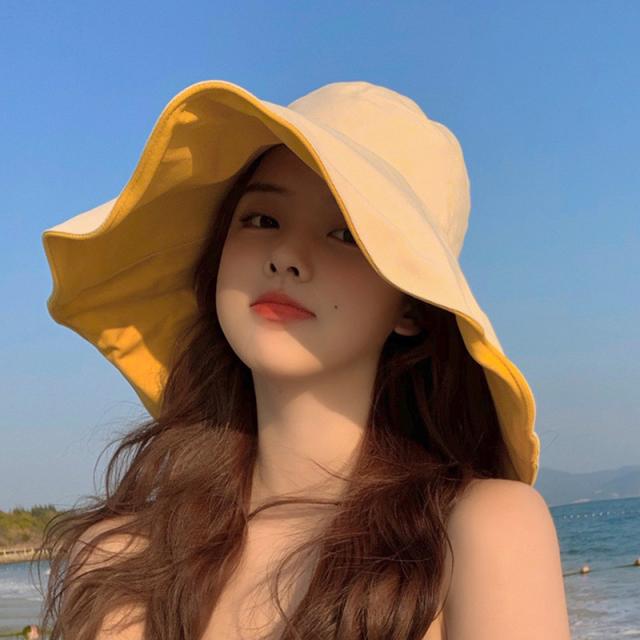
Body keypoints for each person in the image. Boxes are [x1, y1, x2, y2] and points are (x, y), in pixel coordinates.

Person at [37, 80, 571, 639]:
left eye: (345, 234)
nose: (286, 256)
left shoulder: (479, 532)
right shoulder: (121, 562)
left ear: (411, 307)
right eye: (261, 220)